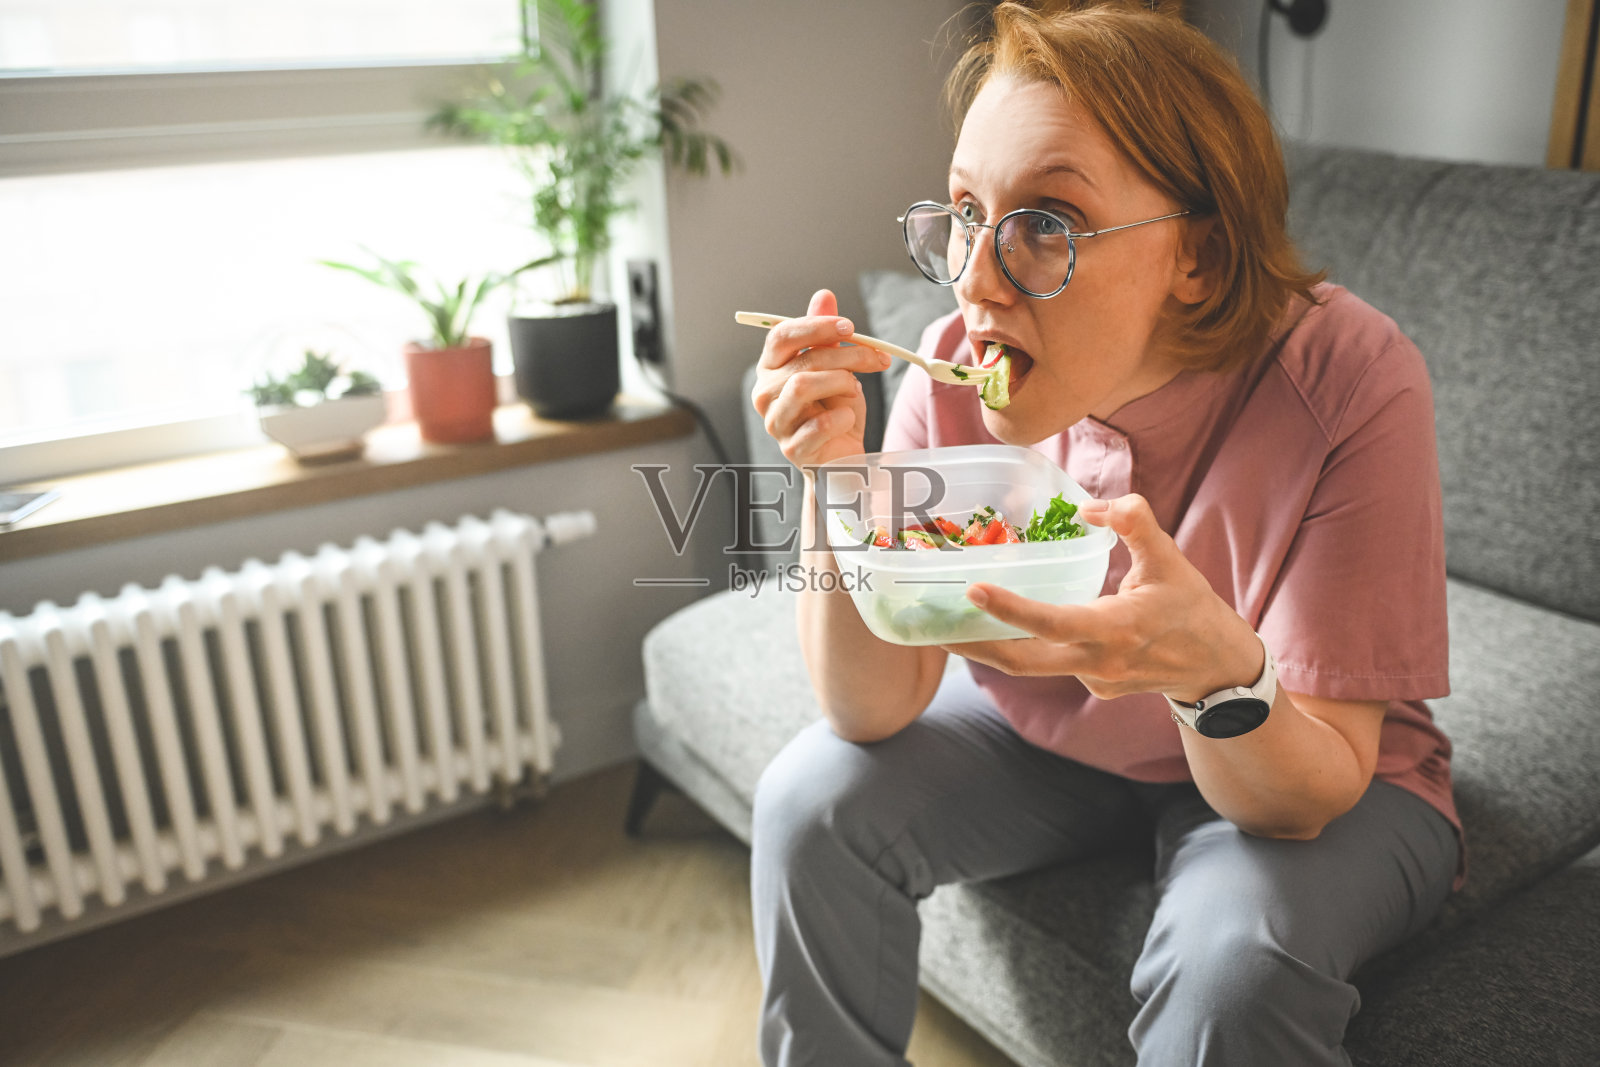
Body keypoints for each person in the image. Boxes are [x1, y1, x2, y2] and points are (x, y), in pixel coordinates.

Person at [747, 1, 1462, 1065]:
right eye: (963, 212)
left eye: (1045, 223)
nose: (975, 280)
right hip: (1059, 742)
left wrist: (1214, 671)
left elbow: (1305, 797)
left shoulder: (1349, 379)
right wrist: (836, 481)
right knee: (808, 800)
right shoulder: (951, 359)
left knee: (1235, 969)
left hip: (1307, 764)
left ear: (1201, 259)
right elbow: (867, 705)